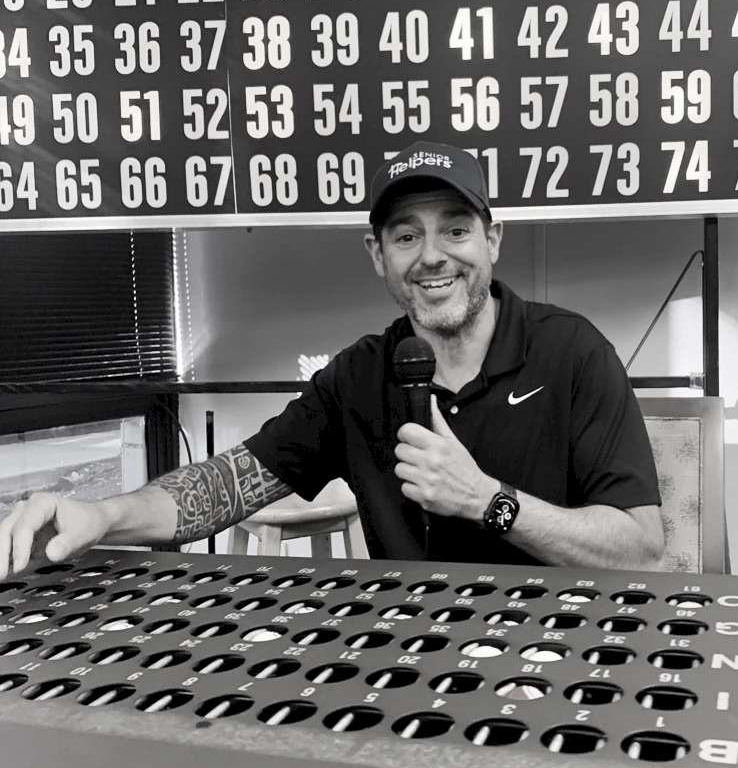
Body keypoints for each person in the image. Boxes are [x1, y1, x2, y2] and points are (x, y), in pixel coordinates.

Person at [0, 142, 664, 581]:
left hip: (559, 651)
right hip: (413, 662)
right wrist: (103, 515)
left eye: (455, 229)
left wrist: (486, 500)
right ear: (378, 255)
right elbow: (225, 487)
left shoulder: (574, 352)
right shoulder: (357, 377)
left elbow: (639, 545)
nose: (432, 256)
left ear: (492, 239)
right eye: (406, 235)